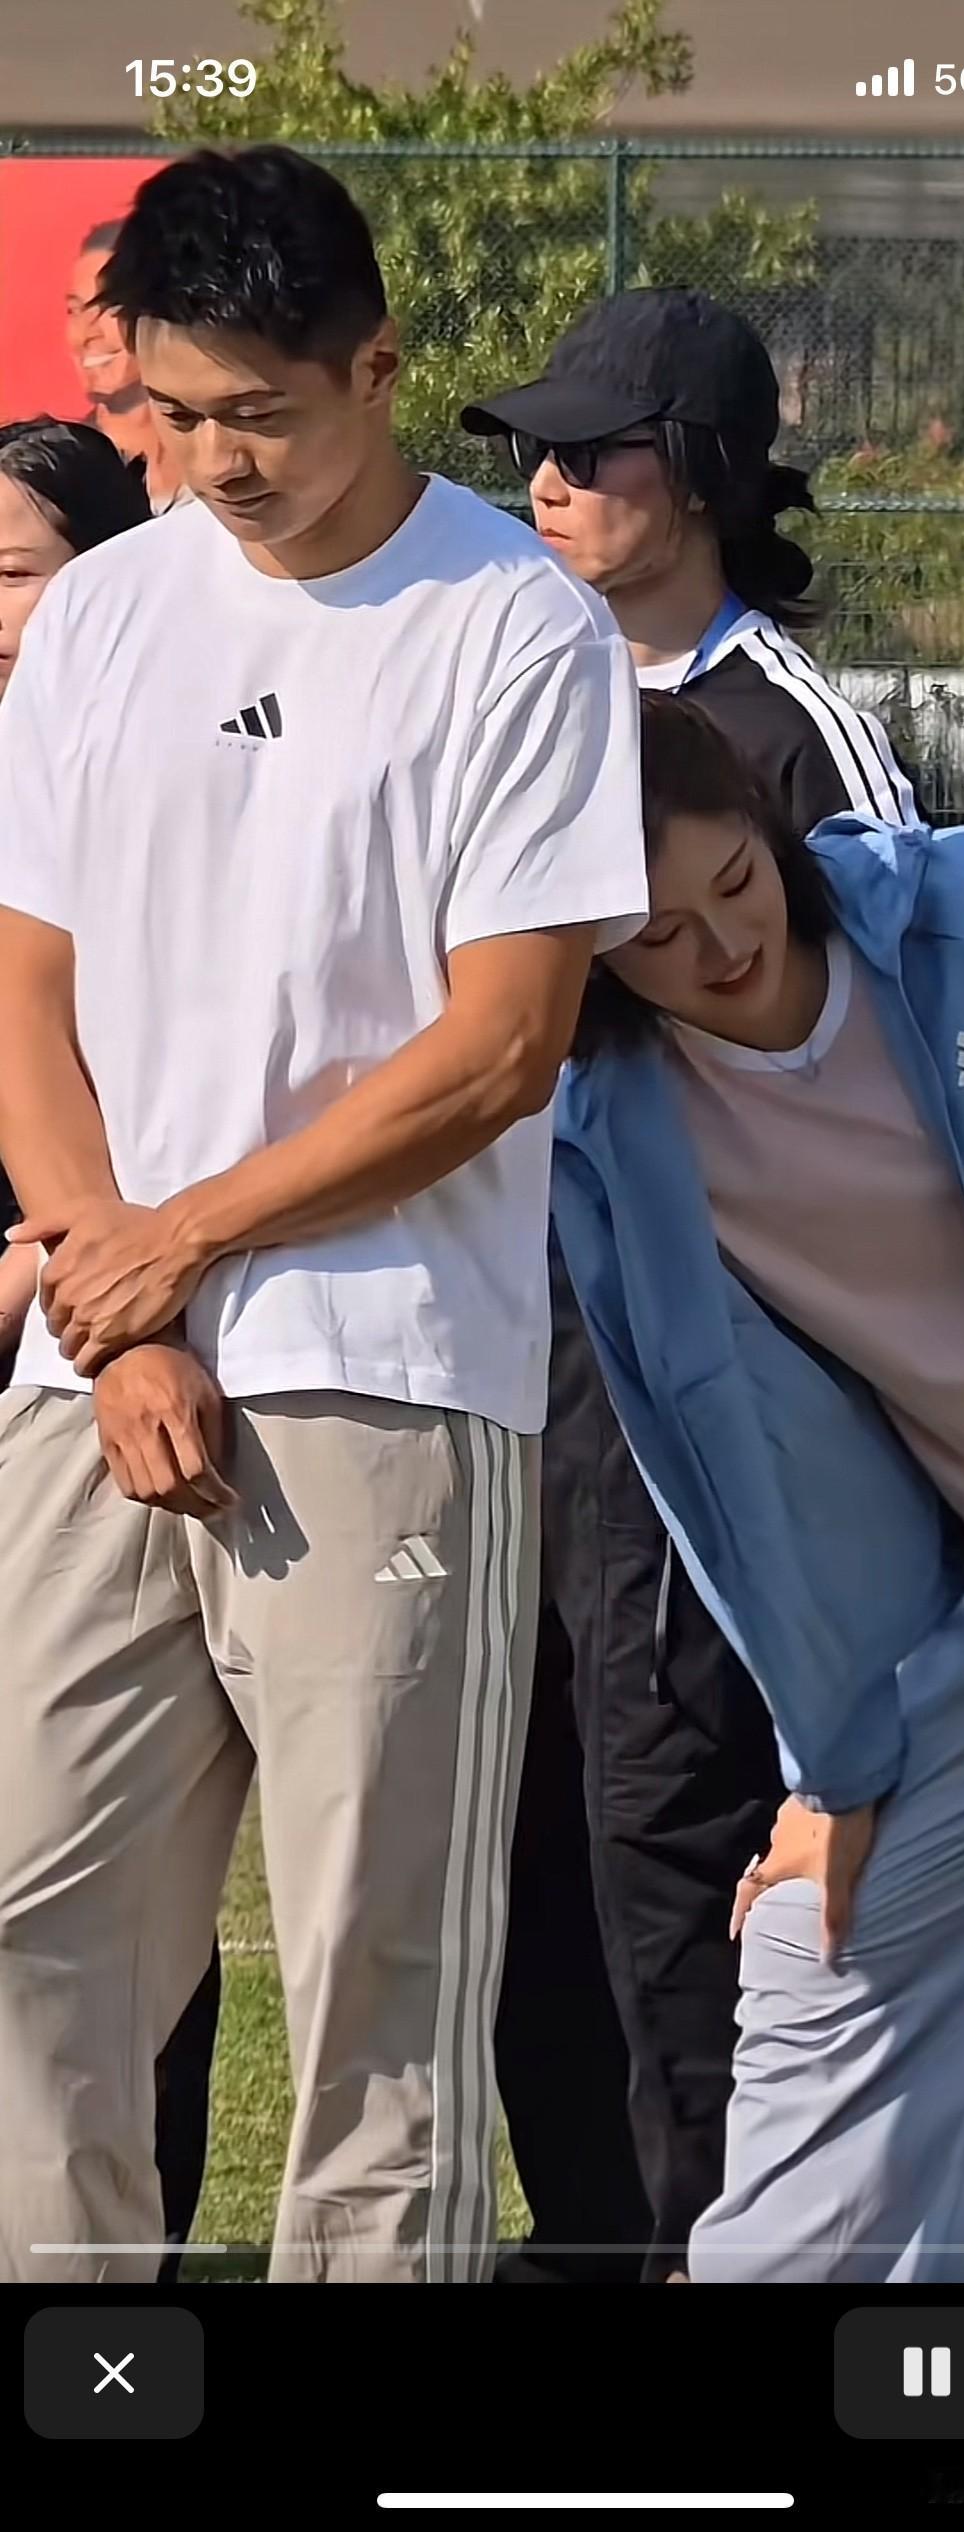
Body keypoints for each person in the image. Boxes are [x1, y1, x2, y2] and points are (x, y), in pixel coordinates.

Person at [0, 145, 646, 2287]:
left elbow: (503, 1048)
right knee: (28, 1931)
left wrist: (181, 1243)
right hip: (92, 1383)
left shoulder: (519, 628)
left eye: (260, 413)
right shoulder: (106, 611)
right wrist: (123, 1302)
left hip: (389, 1381)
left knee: (384, 1991)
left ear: (376, 366)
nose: (215, 460)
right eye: (175, 412)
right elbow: (25, 993)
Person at [553, 691, 964, 2284]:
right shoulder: (608, 1140)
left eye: (735, 883)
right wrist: (833, 1763)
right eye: (657, 936)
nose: (721, 947)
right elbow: (721, 1478)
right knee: (818, 1947)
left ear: (770, 836)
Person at [462, 288, 919, 2282]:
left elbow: (893, 1072)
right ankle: (590, 2240)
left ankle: (720, 2253)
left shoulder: (794, 732)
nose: (549, 481)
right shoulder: (510, 695)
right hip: (504, 1367)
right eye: (534, 451)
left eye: (597, 448)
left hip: (701, 1397)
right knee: (514, 1848)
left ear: (711, 475)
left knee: (672, 1856)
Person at [0, 415, 219, 2278]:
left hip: (131, 1344)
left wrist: (61, 1272)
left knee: (140, 1894)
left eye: (13, 572)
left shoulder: (178, 756)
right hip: (75, 1357)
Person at [65, 221, 185, 512]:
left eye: (109, 307)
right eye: (75, 310)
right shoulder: (60, 474)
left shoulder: (216, 456)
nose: (85, 333)